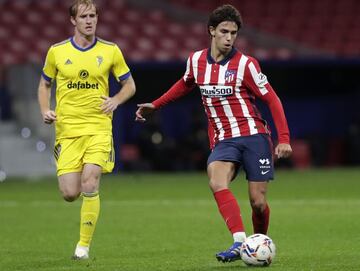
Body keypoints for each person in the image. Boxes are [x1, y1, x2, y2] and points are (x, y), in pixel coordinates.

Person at [135, 4, 292, 264]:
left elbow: (273, 100)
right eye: (224, 31)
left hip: (254, 136)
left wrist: (284, 139)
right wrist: (157, 104)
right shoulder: (196, 61)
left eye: (233, 33)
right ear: (212, 31)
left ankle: (258, 245)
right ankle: (240, 242)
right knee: (216, 181)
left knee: (258, 203)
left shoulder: (246, 65)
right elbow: (184, 84)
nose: (229, 38)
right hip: (224, 139)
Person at [38, 0, 136, 260]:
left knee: (90, 182)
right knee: (70, 193)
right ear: (73, 20)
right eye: (83, 16)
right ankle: (82, 224)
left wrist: (115, 100)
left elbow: (129, 85)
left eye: (93, 15)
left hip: (98, 128)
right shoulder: (56, 52)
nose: (89, 20)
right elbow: (45, 84)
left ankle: (82, 247)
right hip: (68, 130)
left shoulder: (111, 50)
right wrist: (44, 110)